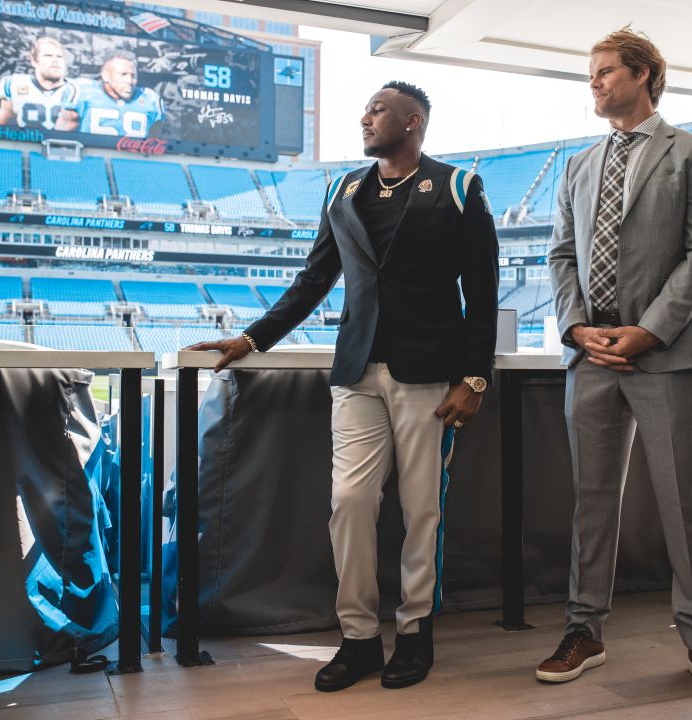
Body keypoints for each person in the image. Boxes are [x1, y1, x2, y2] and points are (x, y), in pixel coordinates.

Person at [187, 81, 498, 692]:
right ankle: (358, 639)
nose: (365, 117)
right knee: (349, 505)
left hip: (430, 376)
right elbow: (314, 279)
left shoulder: (460, 187)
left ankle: (415, 633)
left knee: (422, 512)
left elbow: (482, 291)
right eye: (366, 110)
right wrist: (253, 339)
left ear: (412, 121)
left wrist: (475, 378)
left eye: (377, 110)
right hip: (356, 372)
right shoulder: (343, 189)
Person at [539, 28, 692, 698]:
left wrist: (648, 332)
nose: (592, 82)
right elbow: (561, 255)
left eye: (604, 71)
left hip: (667, 356)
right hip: (591, 357)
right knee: (592, 503)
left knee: (686, 501)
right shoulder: (577, 165)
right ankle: (584, 630)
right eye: (589, 73)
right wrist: (574, 328)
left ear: (645, 74)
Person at [58, 49, 164, 137]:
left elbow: (156, 143)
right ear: (106, 75)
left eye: (133, 76)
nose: (129, 81)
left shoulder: (150, 98)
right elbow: (61, 138)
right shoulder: (83, 92)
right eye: (123, 74)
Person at [0, 36, 78, 131]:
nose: (55, 60)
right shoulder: (14, 83)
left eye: (59, 57)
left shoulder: (76, 89)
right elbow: (0, 124)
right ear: (34, 61)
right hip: (25, 143)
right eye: (48, 56)